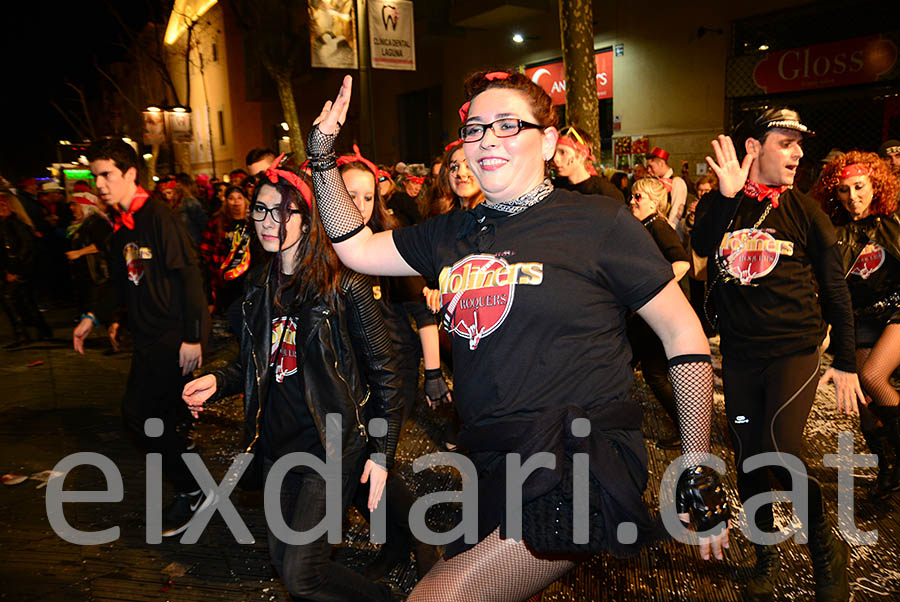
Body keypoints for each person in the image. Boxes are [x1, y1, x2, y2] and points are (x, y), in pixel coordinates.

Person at [305, 71, 729, 601]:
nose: (487, 140)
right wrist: (322, 155)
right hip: (495, 459)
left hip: (579, 457)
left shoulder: (600, 222)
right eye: (476, 128)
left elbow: (682, 330)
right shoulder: (451, 232)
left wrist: (696, 462)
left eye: (508, 125)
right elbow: (356, 247)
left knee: (437, 597)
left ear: (549, 142)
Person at [181, 161, 404, 602]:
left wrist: (382, 452)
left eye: (282, 212)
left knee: (303, 574)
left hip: (330, 445)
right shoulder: (260, 282)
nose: (269, 222)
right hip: (276, 446)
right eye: (261, 211)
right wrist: (218, 380)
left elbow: (385, 371)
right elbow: (255, 361)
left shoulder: (345, 283)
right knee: (287, 566)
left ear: (308, 218)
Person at [693, 108, 862, 602]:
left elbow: (836, 291)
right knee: (748, 457)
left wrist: (848, 360)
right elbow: (704, 244)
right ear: (753, 148)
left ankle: (825, 551)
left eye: (799, 144)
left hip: (794, 350)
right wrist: (726, 198)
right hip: (742, 353)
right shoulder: (721, 203)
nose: (798, 152)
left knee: (781, 448)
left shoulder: (808, 211)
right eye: (786, 142)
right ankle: (767, 553)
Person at [73, 138, 210, 538]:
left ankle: (193, 488)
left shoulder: (159, 217)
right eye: (94, 174)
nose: (98, 183)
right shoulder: (120, 227)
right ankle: (192, 482)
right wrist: (93, 317)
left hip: (172, 338)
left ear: (130, 174)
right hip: (148, 339)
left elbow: (189, 277)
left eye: (106, 174)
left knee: (138, 415)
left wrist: (193, 337)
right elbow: (119, 284)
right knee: (162, 421)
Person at [812, 150, 900, 500]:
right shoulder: (836, 232)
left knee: (872, 377)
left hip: (896, 313)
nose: (853, 197)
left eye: (860, 187)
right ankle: (889, 470)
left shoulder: (894, 221)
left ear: (875, 186)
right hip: (862, 319)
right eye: (844, 190)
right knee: (862, 401)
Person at [627, 177, 690, 449]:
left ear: (654, 202)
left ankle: (689, 430)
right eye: (631, 195)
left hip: (655, 312)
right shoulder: (645, 226)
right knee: (628, 365)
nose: (632, 200)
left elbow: (682, 263)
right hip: (646, 312)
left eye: (638, 196)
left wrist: (653, 291)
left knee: (652, 373)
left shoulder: (658, 226)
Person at [0, 194, 52, 347]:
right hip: (13, 268)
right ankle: (42, 329)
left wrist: (15, 270)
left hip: (20, 269)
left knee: (8, 297)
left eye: (4, 205)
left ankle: (22, 333)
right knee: (25, 299)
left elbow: (25, 248)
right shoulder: (5, 224)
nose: (1, 209)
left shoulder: (17, 224)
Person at [199, 185, 252, 315]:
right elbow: (206, 251)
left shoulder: (254, 221)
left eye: (240, 198)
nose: (236, 202)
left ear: (246, 200)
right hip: (224, 281)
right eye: (231, 198)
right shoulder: (216, 223)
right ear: (226, 201)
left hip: (249, 279)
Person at [64, 192, 113, 320]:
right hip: (85, 274)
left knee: (94, 307)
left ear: (85, 206)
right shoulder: (82, 223)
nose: (71, 208)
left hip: (97, 274)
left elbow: (101, 243)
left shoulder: (98, 222)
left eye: (75, 204)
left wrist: (79, 253)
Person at [552, 126, 624, 201]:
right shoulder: (554, 190)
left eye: (563, 152)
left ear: (582, 155)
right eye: (554, 152)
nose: (555, 159)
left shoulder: (606, 193)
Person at [646, 146, 688, 230]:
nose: (649, 170)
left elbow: (675, 214)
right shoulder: (656, 181)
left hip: (669, 231)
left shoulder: (677, 182)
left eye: (651, 166)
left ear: (661, 163)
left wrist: (668, 232)